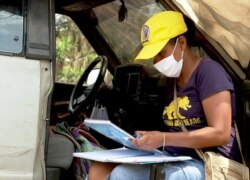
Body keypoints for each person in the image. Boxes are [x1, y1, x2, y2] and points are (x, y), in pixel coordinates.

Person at [88, 11, 241, 180]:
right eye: (153, 56)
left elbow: (221, 134)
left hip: (208, 164)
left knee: (122, 175)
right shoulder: (172, 81)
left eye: (160, 52)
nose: (155, 61)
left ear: (181, 43)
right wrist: (147, 141)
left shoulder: (209, 72)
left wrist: (163, 138)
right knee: (99, 169)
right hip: (173, 157)